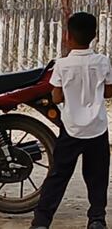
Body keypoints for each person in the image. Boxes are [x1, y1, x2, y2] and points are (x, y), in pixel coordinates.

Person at [30, 12, 112, 229]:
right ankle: (96, 219)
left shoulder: (62, 65)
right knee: (97, 176)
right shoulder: (102, 62)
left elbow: (56, 96)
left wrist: (68, 92)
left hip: (71, 128)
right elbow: (109, 91)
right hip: (97, 127)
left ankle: (41, 221)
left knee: (58, 175)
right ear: (94, 35)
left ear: (67, 36)